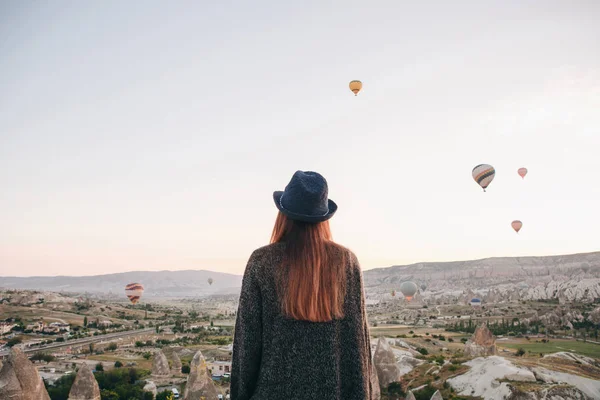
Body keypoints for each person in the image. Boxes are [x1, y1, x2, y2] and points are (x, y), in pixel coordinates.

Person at [230, 170, 376, 400]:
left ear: (283, 215)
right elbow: (357, 346)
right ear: (324, 218)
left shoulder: (261, 262)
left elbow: (246, 348)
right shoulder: (346, 262)